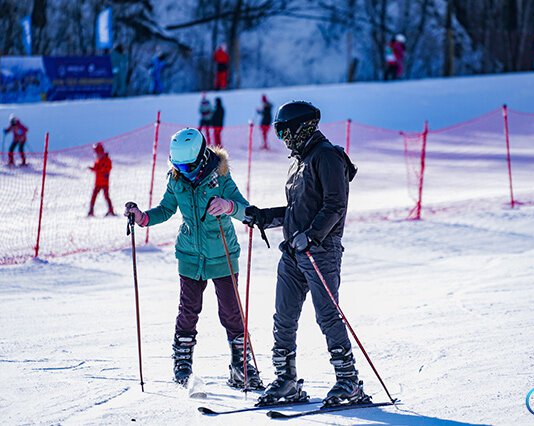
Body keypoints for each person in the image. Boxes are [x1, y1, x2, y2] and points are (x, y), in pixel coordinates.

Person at [243, 101, 364, 407]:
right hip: (294, 252)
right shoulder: (299, 161)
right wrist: (265, 216)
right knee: (283, 317)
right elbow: (297, 211)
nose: (284, 139)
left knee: (327, 315)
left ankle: (348, 380)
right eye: (279, 133)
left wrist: (311, 236)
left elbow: (335, 205)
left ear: (303, 127)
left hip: (320, 251)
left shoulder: (327, 157)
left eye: (286, 132)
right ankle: (286, 380)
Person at [123, 128, 263, 389]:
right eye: (178, 165)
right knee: (188, 311)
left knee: (232, 313)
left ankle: (241, 366)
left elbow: (246, 210)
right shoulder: (176, 179)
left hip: (222, 252)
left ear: (200, 157)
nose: (183, 170)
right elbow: (166, 209)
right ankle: (182, 362)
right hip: (190, 255)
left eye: (188, 165)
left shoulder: (220, 178)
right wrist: (142, 218)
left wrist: (228, 206)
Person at [88, 143, 116, 217]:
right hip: (98, 183)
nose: (97, 154)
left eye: (97, 152)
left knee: (106, 196)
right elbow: (96, 168)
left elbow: (107, 169)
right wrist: (92, 169)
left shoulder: (107, 160)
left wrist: (100, 169)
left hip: (104, 183)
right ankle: (91, 211)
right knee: (94, 196)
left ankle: (111, 210)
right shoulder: (98, 160)